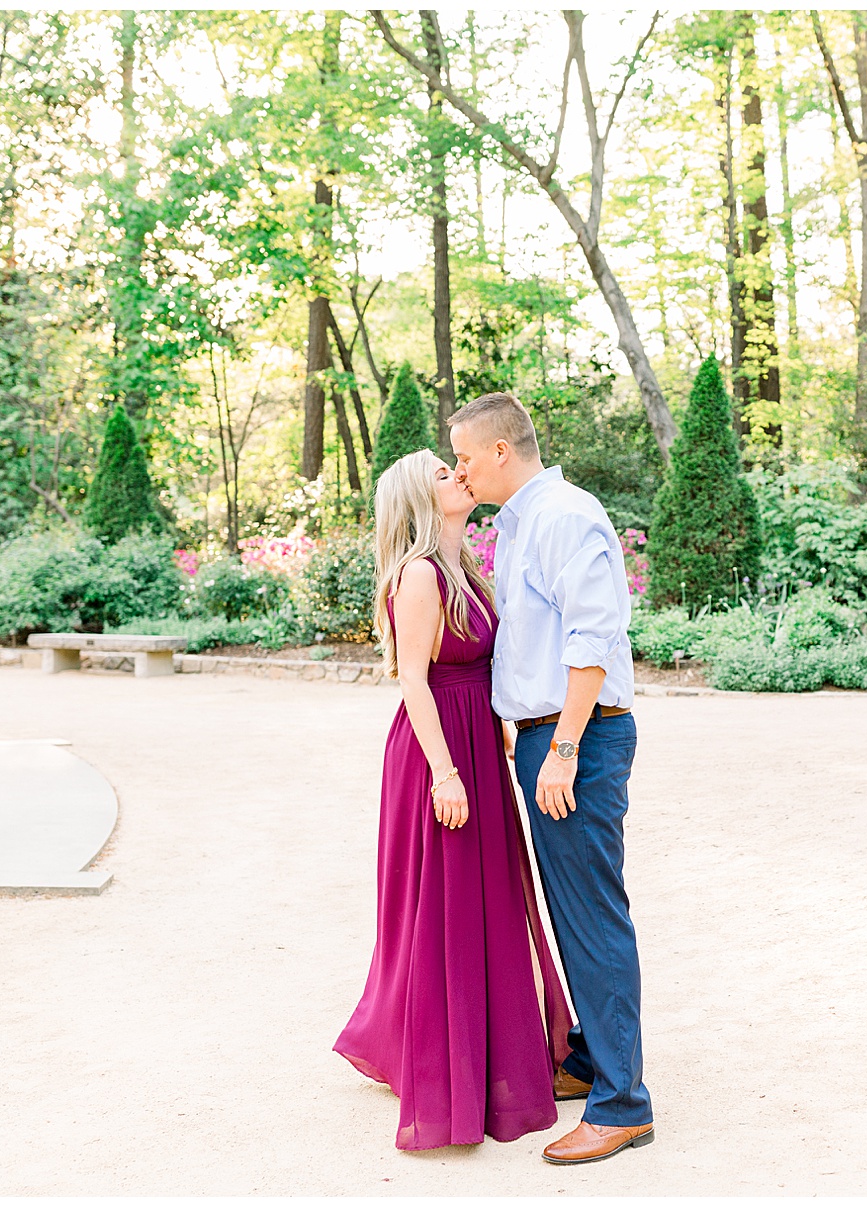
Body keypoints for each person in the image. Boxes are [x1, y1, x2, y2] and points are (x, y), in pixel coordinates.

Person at [334, 448, 574, 1152]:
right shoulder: (418, 574)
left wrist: (496, 725)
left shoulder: (467, 566)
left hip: (475, 740)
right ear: (419, 496)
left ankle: (491, 1050)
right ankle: (446, 1065)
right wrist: (445, 773)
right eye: (443, 473)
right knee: (445, 902)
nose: (458, 475)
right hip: (436, 750)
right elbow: (413, 678)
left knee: (488, 894)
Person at [448, 392, 656, 1167]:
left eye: (466, 455)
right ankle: (592, 1058)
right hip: (546, 737)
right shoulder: (521, 522)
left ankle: (623, 1104)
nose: (461, 469)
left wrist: (564, 745)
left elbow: (593, 635)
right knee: (570, 909)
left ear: (502, 450)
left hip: (580, 739)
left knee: (593, 912)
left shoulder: (565, 515)